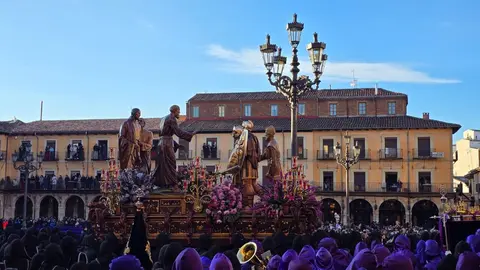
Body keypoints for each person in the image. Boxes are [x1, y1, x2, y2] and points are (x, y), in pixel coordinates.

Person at [153, 105, 196, 189]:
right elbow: (178, 131)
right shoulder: (172, 118)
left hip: (162, 143)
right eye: (178, 111)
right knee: (171, 163)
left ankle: (162, 184)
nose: (179, 113)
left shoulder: (163, 118)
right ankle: (173, 185)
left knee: (163, 164)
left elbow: (165, 134)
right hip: (167, 143)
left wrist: (175, 144)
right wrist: (190, 135)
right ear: (174, 111)